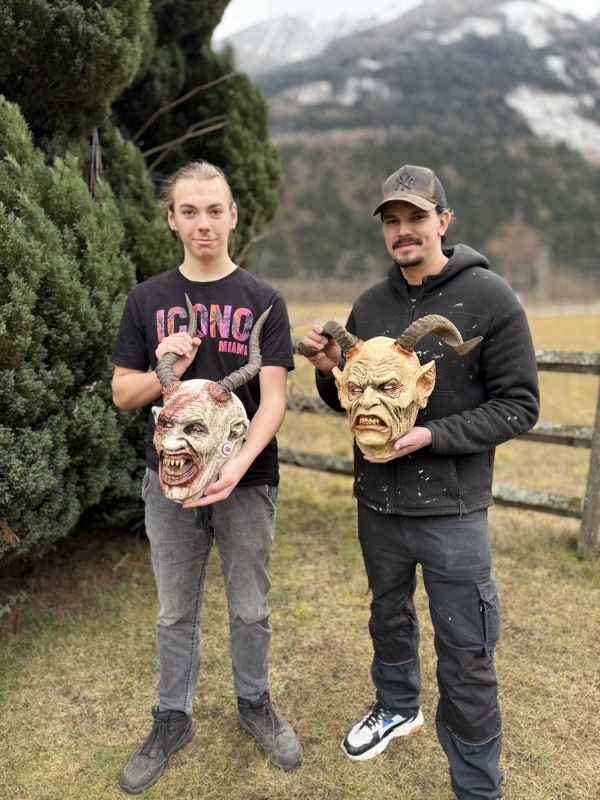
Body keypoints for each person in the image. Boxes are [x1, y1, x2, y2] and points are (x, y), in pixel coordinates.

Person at [300, 164, 540, 800]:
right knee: (387, 613)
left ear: (443, 221)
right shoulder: (369, 305)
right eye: (392, 221)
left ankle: (477, 785)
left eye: (416, 217)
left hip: (453, 511)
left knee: (466, 649)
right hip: (377, 504)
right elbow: (355, 403)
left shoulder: (490, 298)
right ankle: (396, 705)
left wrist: (434, 435)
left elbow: (520, 405)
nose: (404, 231)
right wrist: (328, 371)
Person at [111, 160, 302, 795]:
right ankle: (173, 718)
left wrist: (236, 466)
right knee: (174, 611)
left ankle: (255, 704)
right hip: (169, 482)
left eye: (214, 210)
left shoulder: (264, 300)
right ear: (171, 219)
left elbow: (272, 399)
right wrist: (162, 366)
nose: (203, 223)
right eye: (189, 211)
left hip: (249, 481)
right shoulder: (147, 299)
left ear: (233, 216)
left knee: (250, 607)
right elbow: (123, 393)